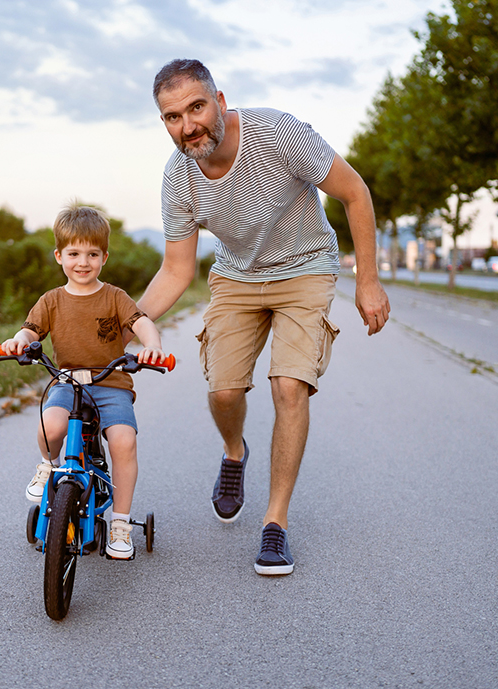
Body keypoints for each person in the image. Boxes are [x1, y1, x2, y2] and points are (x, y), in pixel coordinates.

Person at [137, 59, 390, 576]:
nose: (188, 126)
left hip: (305, 267)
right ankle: (235, 452)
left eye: (196, 107)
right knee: (224, 391)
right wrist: (126, 319)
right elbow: (175, 269)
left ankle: (275, 524)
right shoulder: (179, 176)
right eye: (172, 117)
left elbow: (354, 192)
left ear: (221, 101)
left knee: (289, 386)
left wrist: (368, 280)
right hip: (236, 276)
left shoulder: (278, 133)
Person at [0, 204, 166, 560]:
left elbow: (142, 323)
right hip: (66, 382)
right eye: (74, 253)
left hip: (111, 384)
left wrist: (151, 345)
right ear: (59, 255)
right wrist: (18, 341)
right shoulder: (52, 300)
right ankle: (48, 465)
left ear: (104, 257)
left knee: (123, 441)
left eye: (92, 254)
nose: (83, 262)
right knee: (50, 425)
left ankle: (120, 522)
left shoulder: (114, 297)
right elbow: (30, 330)